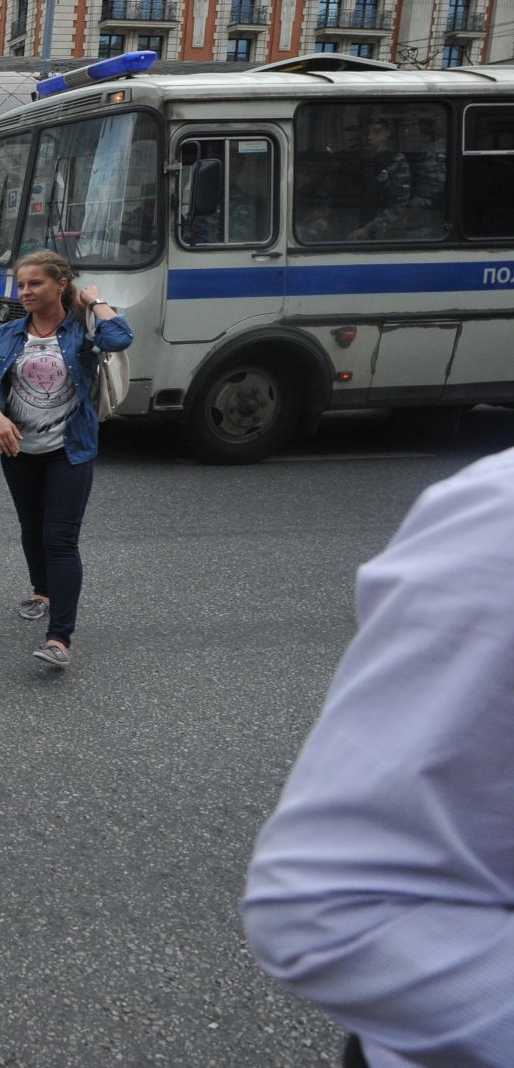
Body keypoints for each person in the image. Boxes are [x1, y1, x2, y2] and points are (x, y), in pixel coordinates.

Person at [243, 447, 514, 1068]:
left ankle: (57, 621)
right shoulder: (503, 524)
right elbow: (329, 901)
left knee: (59, 536)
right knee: (46, 534)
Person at [0, 249, 132, 670]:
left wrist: (94, 301)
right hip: (17, 449)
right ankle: (42, 590)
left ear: (60, 284)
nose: (25, 291)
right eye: (21, 284)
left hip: (69, 450)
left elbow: (121, 338)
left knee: (60, 540)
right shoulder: (8, 334)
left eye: (35, 283)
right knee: (31, 527)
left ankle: (59, 639)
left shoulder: (82, 331)